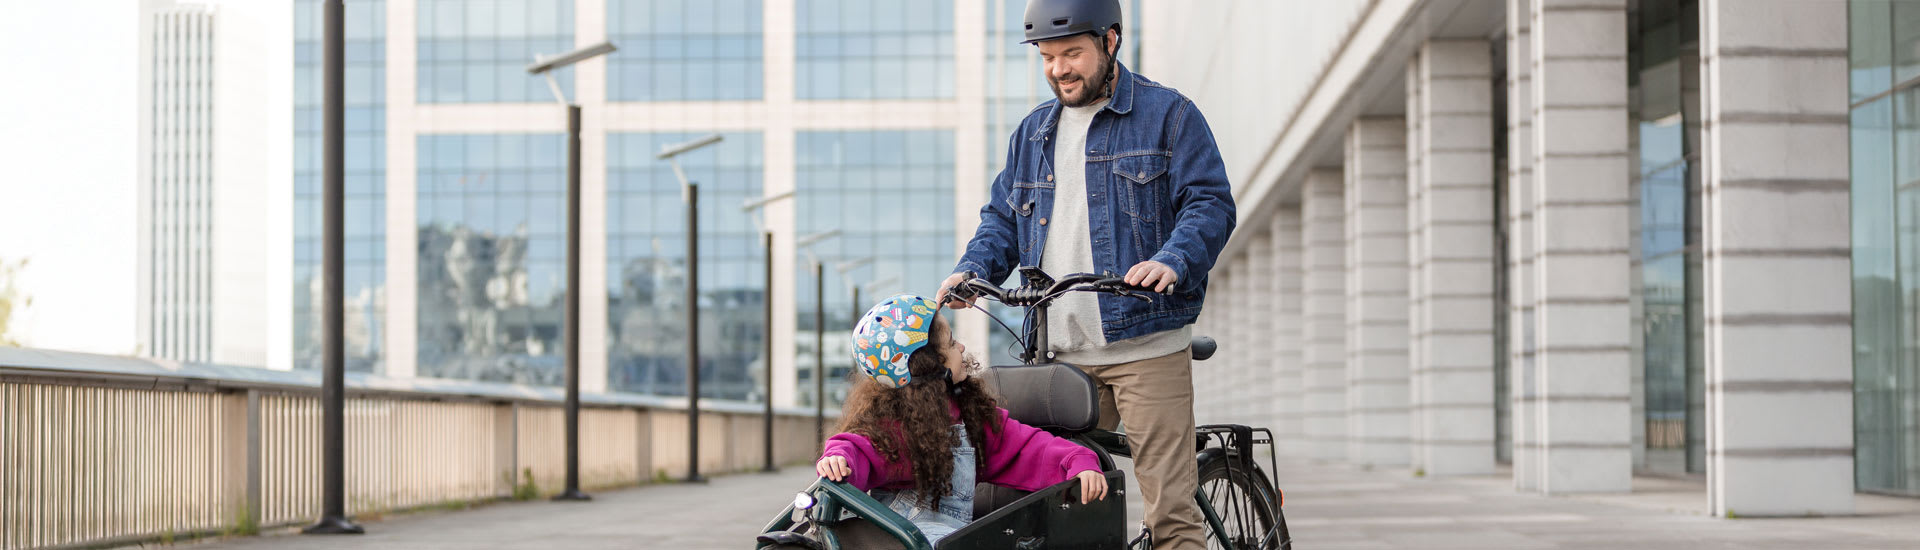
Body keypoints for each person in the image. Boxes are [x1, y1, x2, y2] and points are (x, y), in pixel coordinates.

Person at [935, 1, 1235, 547]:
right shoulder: (1032, 134)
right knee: (1048, 509)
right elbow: (1002, 219)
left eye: (1072, 53)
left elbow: (1209, 204)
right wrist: (971, 270)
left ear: (1111, 41)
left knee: (1169, 514)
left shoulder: (1168, 115)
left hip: (1145, 347)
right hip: (1057, 357)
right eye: (1048, 57)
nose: (1058, 69)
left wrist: (1172, 259)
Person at [816, 294, 1108, 544]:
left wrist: (1077, 461)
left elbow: (1029, 448)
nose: (961, 348)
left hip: (948, 538)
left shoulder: (972, 419)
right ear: (931, 365)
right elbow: (856, 450)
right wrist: (838, 458)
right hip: (894, 537)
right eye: (952, 343)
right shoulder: (888, 427)